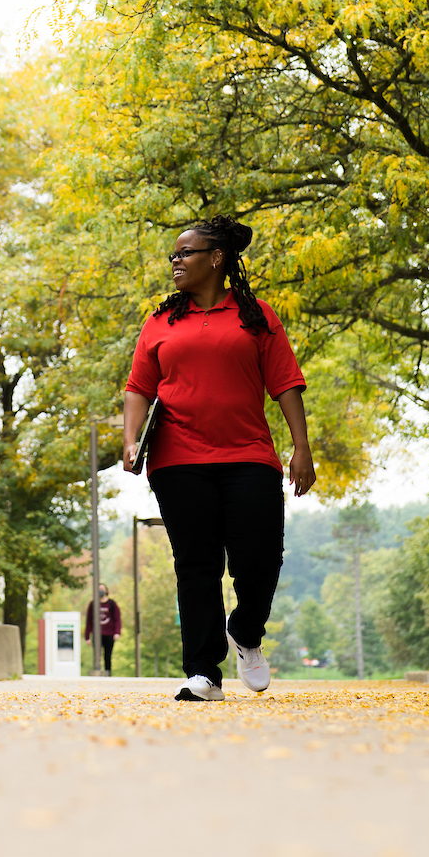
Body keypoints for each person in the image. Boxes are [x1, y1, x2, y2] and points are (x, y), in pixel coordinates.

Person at [120, 217, 315, 702]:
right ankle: (204, 671)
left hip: (249, 455)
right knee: (196, 565)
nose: (176, 261)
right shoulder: (160, 322)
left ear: (217, 258)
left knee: (261, 558)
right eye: (173, 254)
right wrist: (129, 440)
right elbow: (138, 389)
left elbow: (286, 384)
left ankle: (246, 631)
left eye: (186, 252)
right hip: (177, 459)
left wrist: (302, 447)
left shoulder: (257, 317)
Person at [84, 585, 123, 672]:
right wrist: (87, 637)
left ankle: (108, 674)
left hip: (109, 634)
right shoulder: (93, 604)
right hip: (97, 634)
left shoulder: (112, 604)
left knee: (107, 656)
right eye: (99, 590)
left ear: (106, 591)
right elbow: (89, 620)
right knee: (97, 656)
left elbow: (117, 619)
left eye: (102, 589)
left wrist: (117, 632)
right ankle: (97, 672)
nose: (100, 591)